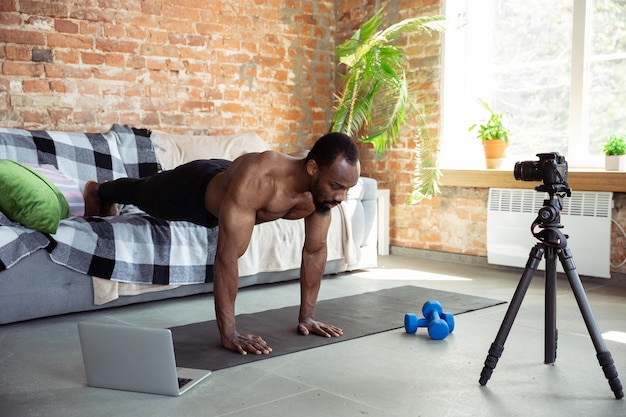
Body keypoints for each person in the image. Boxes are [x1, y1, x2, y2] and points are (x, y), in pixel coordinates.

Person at [83, 132, 361, 355]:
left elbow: (314, 251)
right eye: (337, 186)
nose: (341, 198)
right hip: (197, 189)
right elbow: (227, 258)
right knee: (145, 192)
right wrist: (229, 333)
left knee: (148, 191)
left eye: (347, 189)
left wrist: (307, 317)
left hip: (229, 181)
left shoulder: (320, 193)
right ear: (312, 168)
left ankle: (106, 192)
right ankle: (100, 190)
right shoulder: (260, 180)